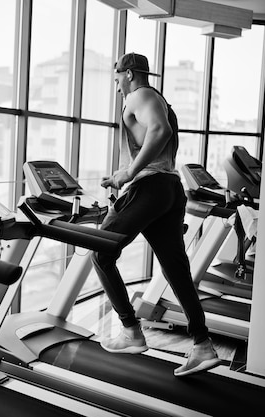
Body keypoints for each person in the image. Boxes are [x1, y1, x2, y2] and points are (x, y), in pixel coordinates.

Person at [91, 52, 221, 377]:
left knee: (100, 253)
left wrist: (130, 173)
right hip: (170, 190)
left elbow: (159, 131)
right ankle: (202, 345)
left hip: (150, 186)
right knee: (176, 269)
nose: (116, 82)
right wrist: (123, 175)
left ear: (130, 74)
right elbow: (156, 137)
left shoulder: (141, 95)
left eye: (117, 75)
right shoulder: (158, 99)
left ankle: (130, 331)